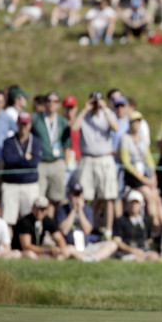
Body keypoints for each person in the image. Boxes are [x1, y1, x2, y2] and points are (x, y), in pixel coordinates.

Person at [70, 91, 120, 240]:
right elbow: (74, 128)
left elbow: (116, 129)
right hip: (87, 159)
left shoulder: (108, 113)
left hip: (105, 158)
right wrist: (85, 109)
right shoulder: (84, 115)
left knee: (108, 196)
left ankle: (108, 231)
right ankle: (87, 227)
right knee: (85, 196)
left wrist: (104, 109)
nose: (95, 104)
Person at [119, 110, 162, 228]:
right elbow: (126, 162)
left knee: (156, 197)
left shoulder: (142, 138)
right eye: (134, 122)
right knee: (150, 196)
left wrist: (153, 176)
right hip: (133, 176)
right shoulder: (125, 138)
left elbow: (148, 158)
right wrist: (144, 179)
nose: (136, 124)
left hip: (144, 172)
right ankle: (155, 225)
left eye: (138, 122)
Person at [55, 183, 118, 262]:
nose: (77, 198)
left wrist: (80, 210)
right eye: (75, 195)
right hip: (71, 246)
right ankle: (87, 258)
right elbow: (64, 230)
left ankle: (92, 258)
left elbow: (87, 230)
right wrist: (73, 210)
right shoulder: (62, 209)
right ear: (69, 195)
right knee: (68, 251)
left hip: (87, 247)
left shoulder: (87, 210)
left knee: (112, 244)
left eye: (79, 194)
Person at [31, 91, 70, 215]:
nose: (51, 104)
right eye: (49, 101)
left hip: (57, 162)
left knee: (56, 198)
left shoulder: (62, 121)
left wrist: (66, 163)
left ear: (58, 104)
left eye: (55, 101)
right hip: (41, 162)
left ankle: (50, 224)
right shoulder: (36, 118)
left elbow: (67, 143)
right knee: (39, 197)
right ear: (44, 103)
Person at [1, 112, 42, 228]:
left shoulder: (36, 142)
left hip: (29, 184)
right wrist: (25, 158)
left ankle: (27, 244)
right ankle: (7, 244)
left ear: (30, 124)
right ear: (17, 124)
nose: (23, 126)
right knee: (7, 219)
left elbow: (34, 162)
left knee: (29, 219)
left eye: (26, 124)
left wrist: (19, 160)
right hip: (11, 184)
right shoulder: (8, 142)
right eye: (21, 123)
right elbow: (9, 160)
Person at [112, 190, 160, 262]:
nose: (134, 205)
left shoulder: (145, 221)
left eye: (136, 202)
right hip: (126, 252)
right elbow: (117, 241)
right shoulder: (120, 220)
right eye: (131, 202)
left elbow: (149, 239)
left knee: (154, 256)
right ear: (127, 204)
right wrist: (133, 250)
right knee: (138, 259)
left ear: (141, 205)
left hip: (142, 250)